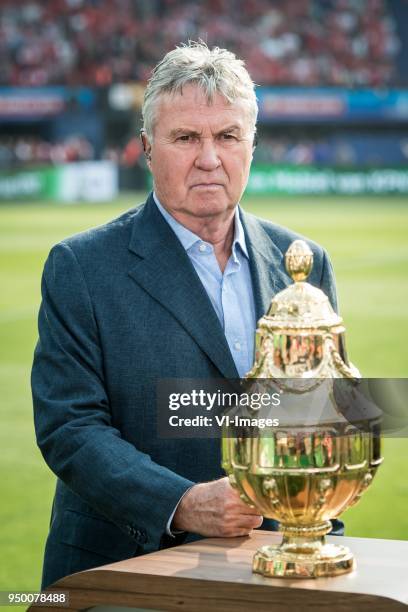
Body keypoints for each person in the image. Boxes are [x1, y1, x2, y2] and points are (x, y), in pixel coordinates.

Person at [32, 41, 343, 589]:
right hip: (121, 570)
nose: (208, 157)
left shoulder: (305, 263)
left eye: (227, 136)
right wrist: (181, 502)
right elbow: (70, 427)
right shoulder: (80, 266)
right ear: (148, 148)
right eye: (185, 138)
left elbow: (323, 412)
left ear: (252, 144)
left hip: (275, 564)